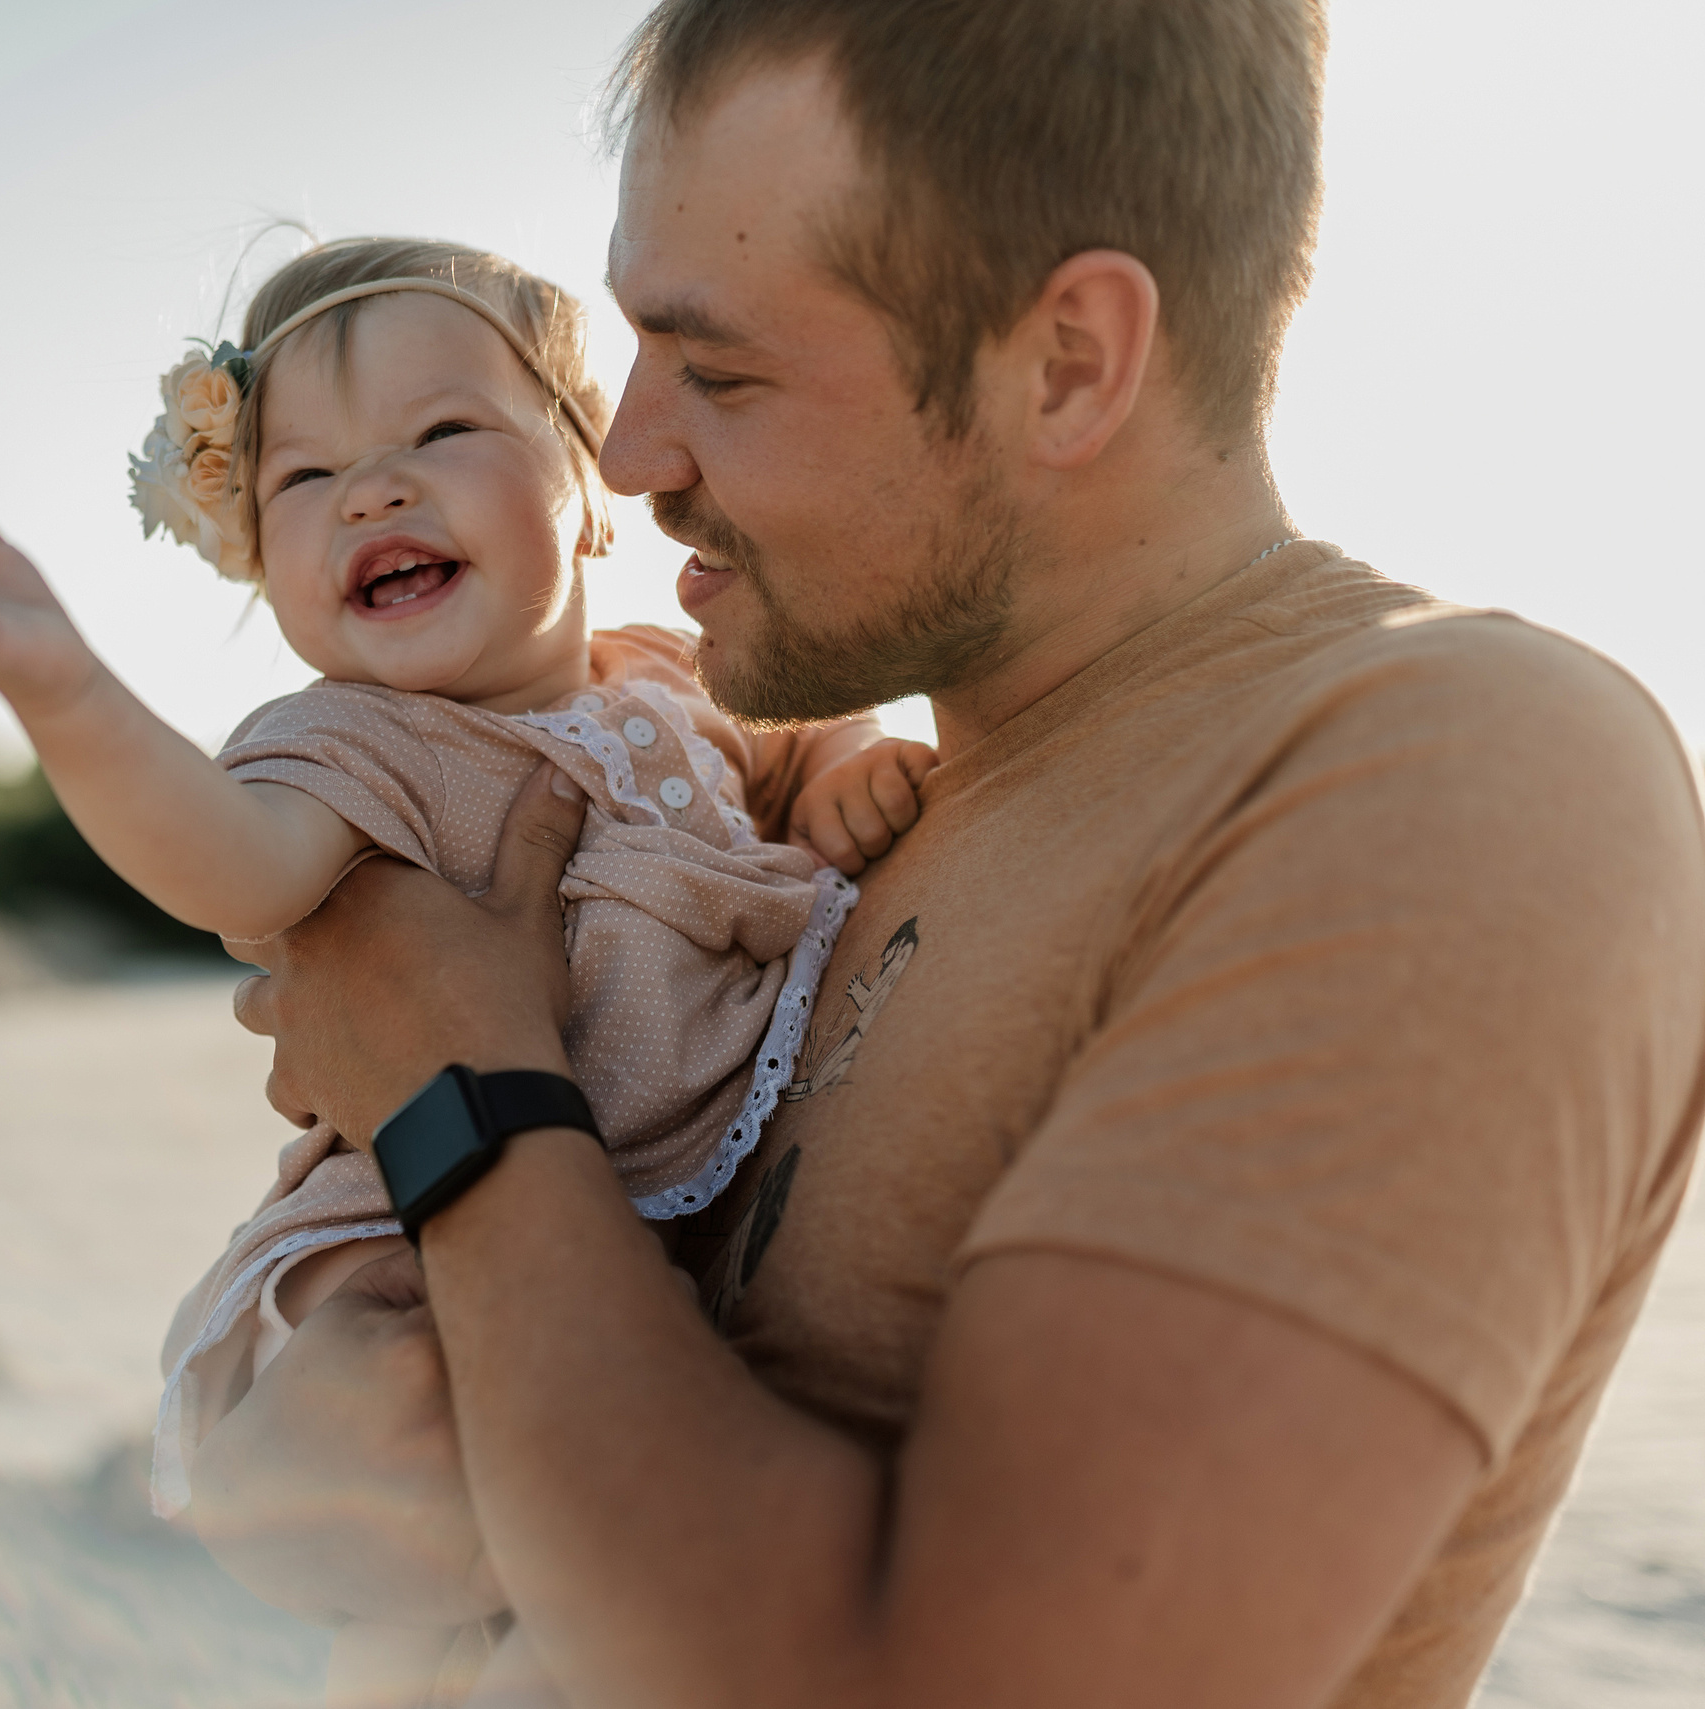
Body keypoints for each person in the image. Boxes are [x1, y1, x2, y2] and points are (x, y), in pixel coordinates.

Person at [197, 3, 1705, 1707]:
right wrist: (307, 1473)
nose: (628, 453)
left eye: (725, 369)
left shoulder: (1457, 774)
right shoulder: (817, 819)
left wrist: (463, 1092)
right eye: (633, 348)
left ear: (1067, 362)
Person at [0, 235, 936, 1687]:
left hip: (627, 1244)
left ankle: (475, 1619)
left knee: (593, 1485)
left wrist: (849, 765)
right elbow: (221, 852)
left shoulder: (675, 675)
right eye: (303, 476)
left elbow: (802, 750)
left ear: (589, 483)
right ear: (257, 551)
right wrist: (62, 688)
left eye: (443, 431)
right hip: (415, 1242)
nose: (373, 488)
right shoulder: (350, 749)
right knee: (403, 1414)